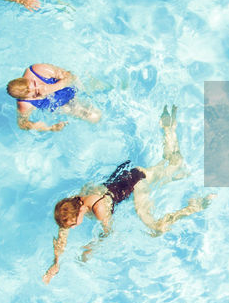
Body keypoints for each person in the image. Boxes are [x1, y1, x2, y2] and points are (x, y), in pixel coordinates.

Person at [43, 106, 214, 283]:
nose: (72, 228)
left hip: (136, 183)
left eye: (72, 225)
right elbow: (62, 234)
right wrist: (56, 263)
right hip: (127, 176)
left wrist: (91, 248)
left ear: (78, 213)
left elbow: (110, 233)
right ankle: (168, 129)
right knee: (175, 168)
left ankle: (194, 206)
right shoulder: (75, 201)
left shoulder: (98, 208)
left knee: (155, 227)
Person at [5, 63, 102, 132]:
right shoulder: (25, 104)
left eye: (34, 83)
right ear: (27, 98)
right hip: (64, 104)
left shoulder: (38, 70)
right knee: (95, 117)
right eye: (36, 93)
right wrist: (49, 128)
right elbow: (23, 124)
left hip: (75, 85)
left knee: (105, 87)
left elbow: (70, 76)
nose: (39, 88)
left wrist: (51, 88)